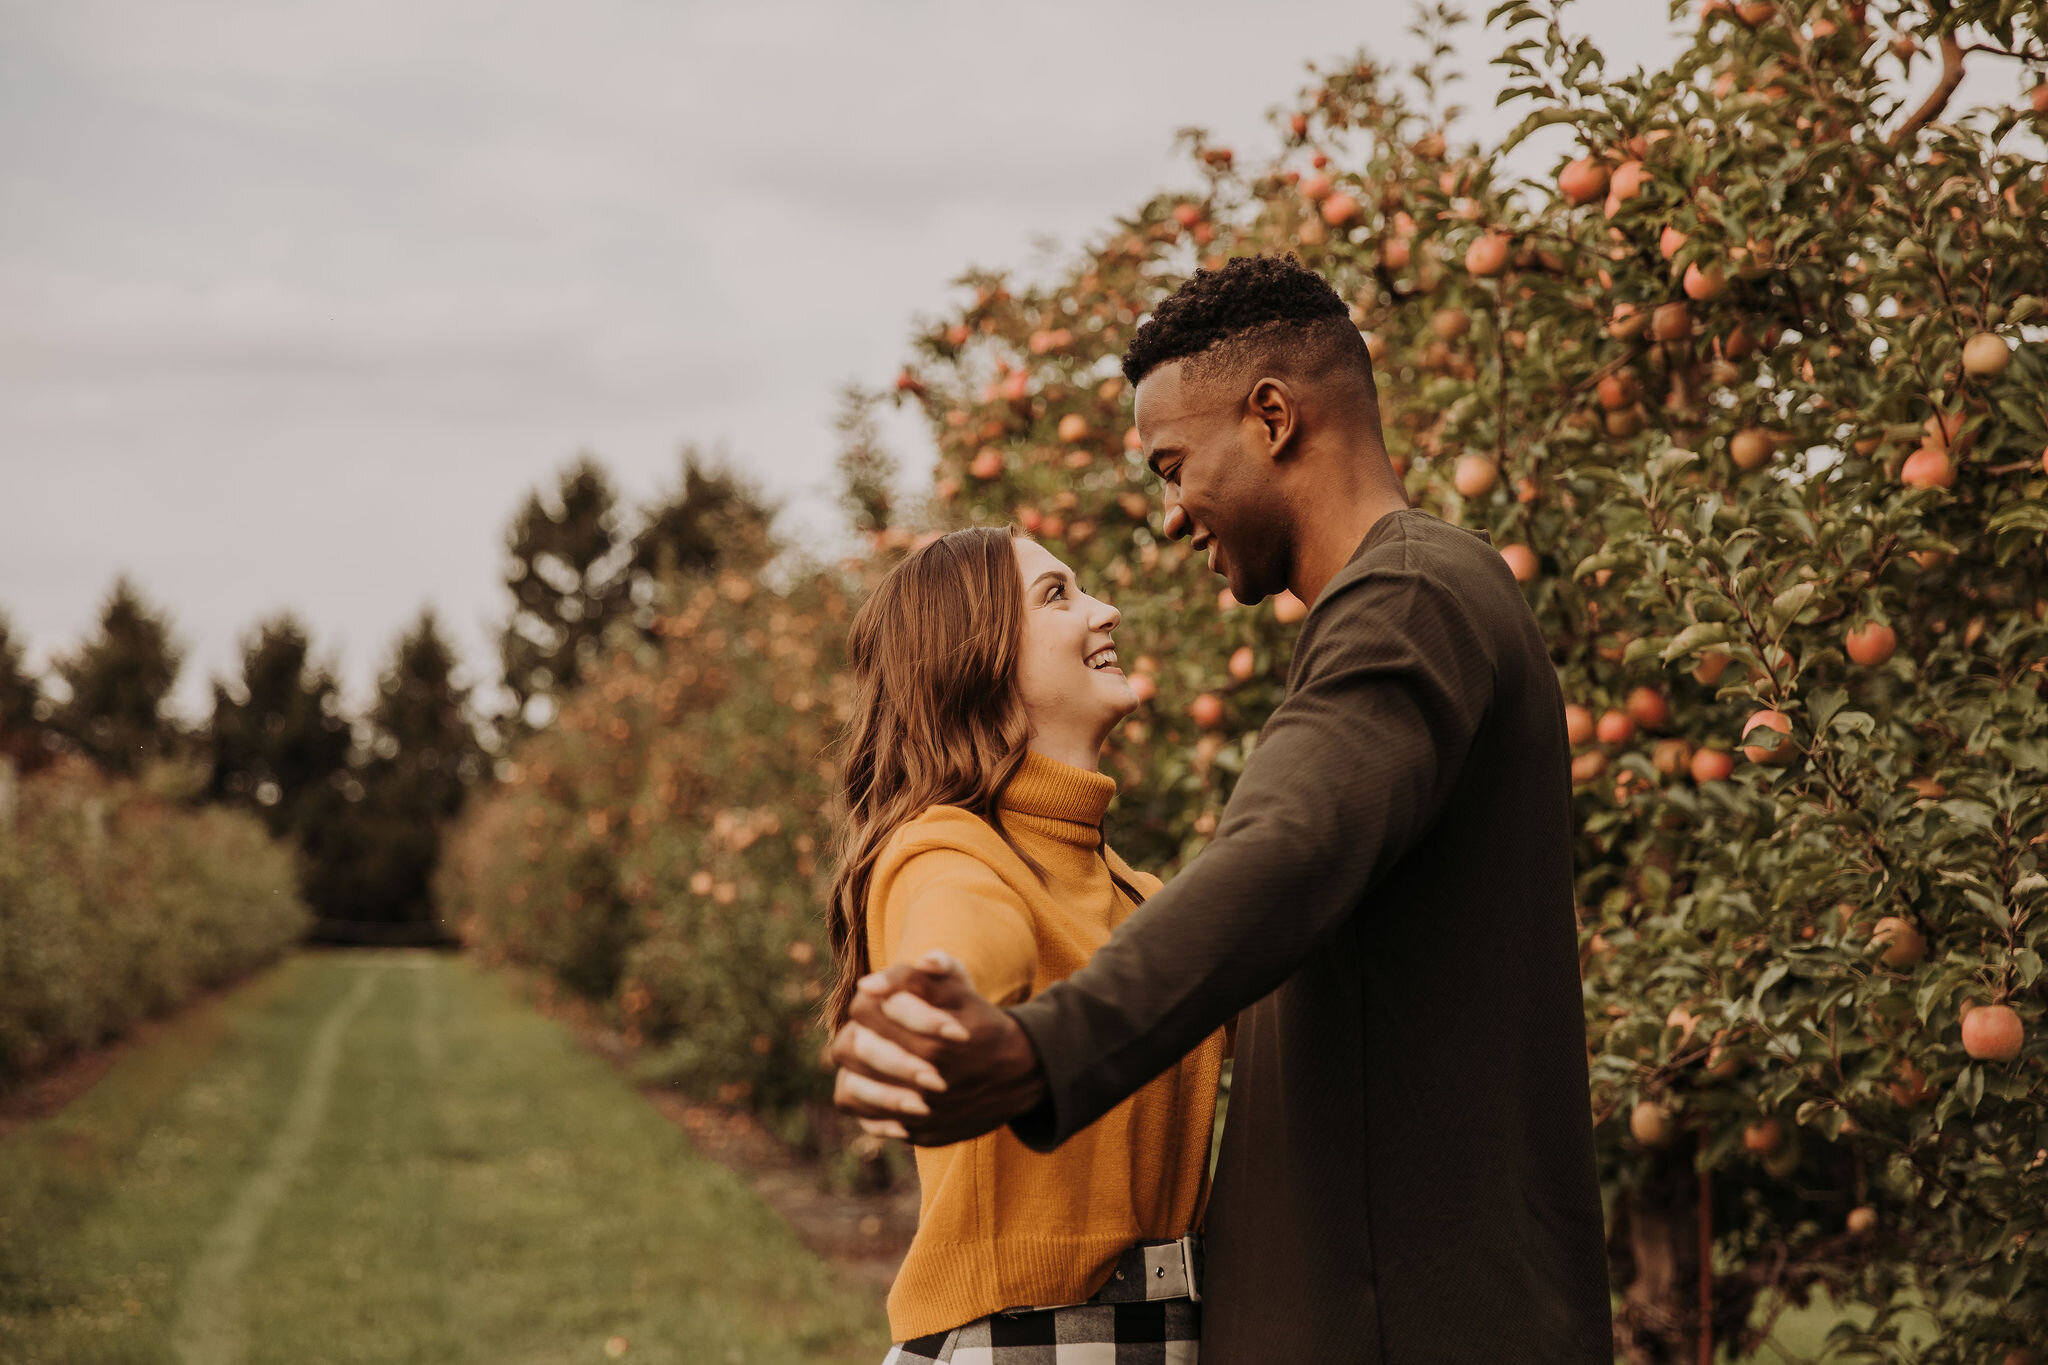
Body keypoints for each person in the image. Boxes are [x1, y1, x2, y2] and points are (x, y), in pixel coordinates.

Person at [829, 255, 1613, 1364]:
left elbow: (1280, 853)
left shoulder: (1409, 597)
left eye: (1171, 464)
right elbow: (981, 913)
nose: (1165, 516)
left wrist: (1036, 1052)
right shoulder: (1398, 607)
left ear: (1273, 417)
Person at [826, 525, 1222, 1364]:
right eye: (1059, 594)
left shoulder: (1140, 894)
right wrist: (942, 995)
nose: (1106, 610)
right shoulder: (945, 849)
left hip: (1168, 1337)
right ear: (977, 659)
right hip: (1025, 1343)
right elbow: (965, 929)